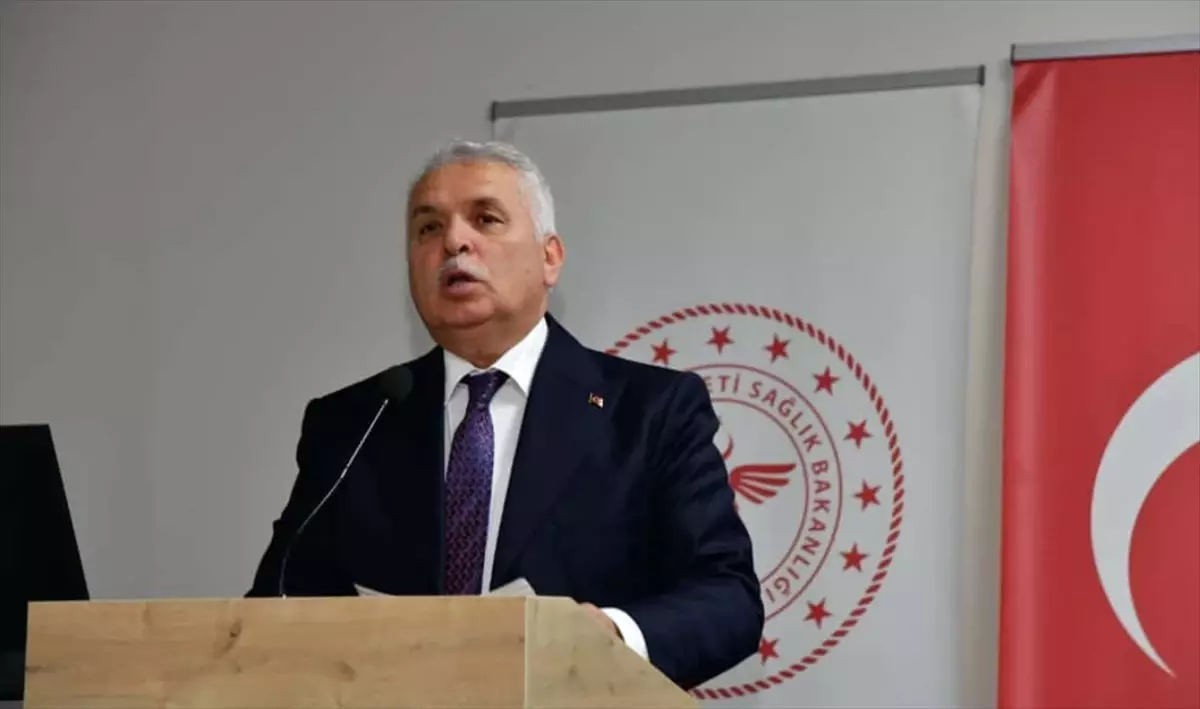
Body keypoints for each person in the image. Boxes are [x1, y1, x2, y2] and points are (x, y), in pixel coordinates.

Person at [248, 139, 763, 689]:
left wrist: (609, 637)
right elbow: (276, 607)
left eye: (485, 219)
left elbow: (727, 598)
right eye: (428, 228)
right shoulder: (354, 422)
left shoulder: (650, 410)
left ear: (550, 257)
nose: (453, 242)